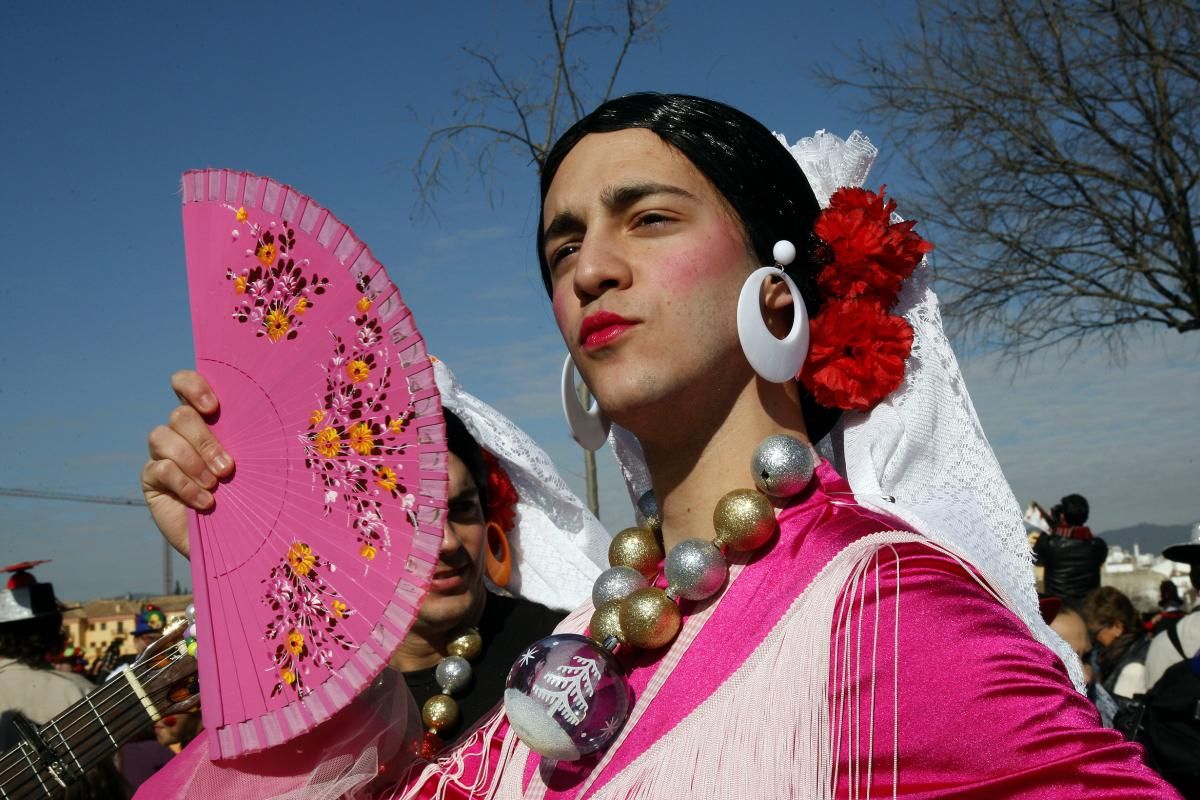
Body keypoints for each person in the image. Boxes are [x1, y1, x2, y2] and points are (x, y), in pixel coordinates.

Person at [141, 94, 1178, 798]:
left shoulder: (881, 609)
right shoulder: (597, 624)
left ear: (775, 284)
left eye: (647, 218)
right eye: (564, 242)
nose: (590, 266)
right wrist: (265, 559)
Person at [1033, 493, 1109, 605]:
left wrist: (1049, 527)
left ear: (1062, 516)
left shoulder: (1050, 544)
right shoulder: (1098, 546)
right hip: (1089, 608)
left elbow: (1036, 559)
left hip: (1060, 609)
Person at [1084, 586, 1151, 701]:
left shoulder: (1133, 669)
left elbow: (1120, 716)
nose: (1094, 640)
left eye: (1096, 633)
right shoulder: (1128, 651)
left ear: (1118, 627)